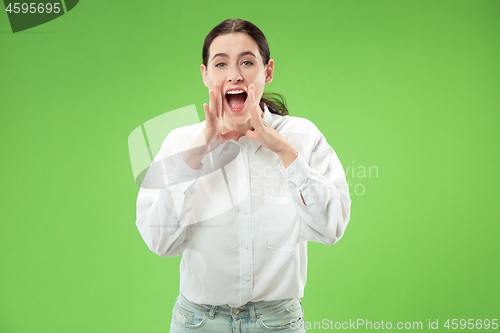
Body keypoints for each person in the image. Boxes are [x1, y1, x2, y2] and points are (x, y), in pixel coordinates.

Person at [135, 18, 351, 333]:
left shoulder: (302, 137)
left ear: (268, 71)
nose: (235, 75)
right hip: (198, 322)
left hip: (278, 322)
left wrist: (287, 154)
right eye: (220, 64)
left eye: (247, 62)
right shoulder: (181, 144)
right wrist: (197, 153)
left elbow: (332, 228)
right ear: (205, 75)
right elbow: (160, 242)